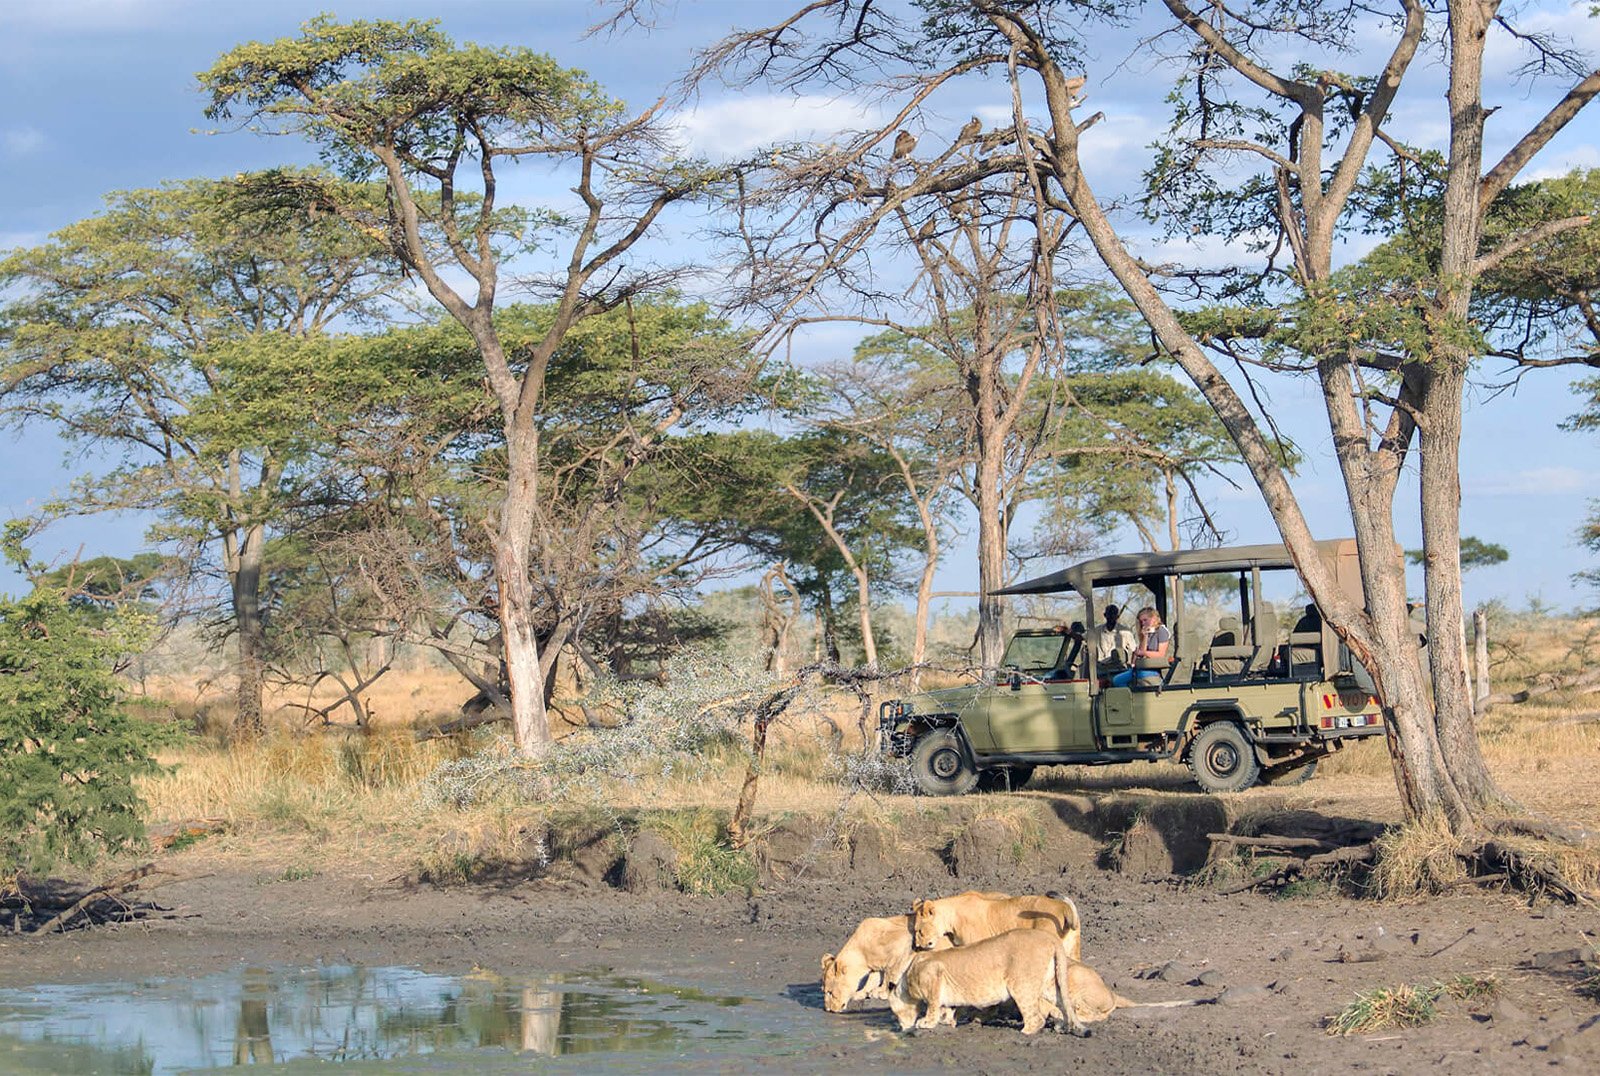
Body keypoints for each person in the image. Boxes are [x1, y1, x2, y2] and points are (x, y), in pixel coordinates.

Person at [1110, 607, 1170, 687]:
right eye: (1141, 621)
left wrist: (1143, 653)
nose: (1143, 623)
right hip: (1141, 667)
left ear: (1154, 618)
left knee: (1118, 681)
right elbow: (1140, 652)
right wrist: (1145, 636)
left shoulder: (1162, 631)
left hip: (1153, 669)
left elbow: (1160, 655)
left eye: (1145, 620)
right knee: (1116, 680)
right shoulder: (1149, 632)